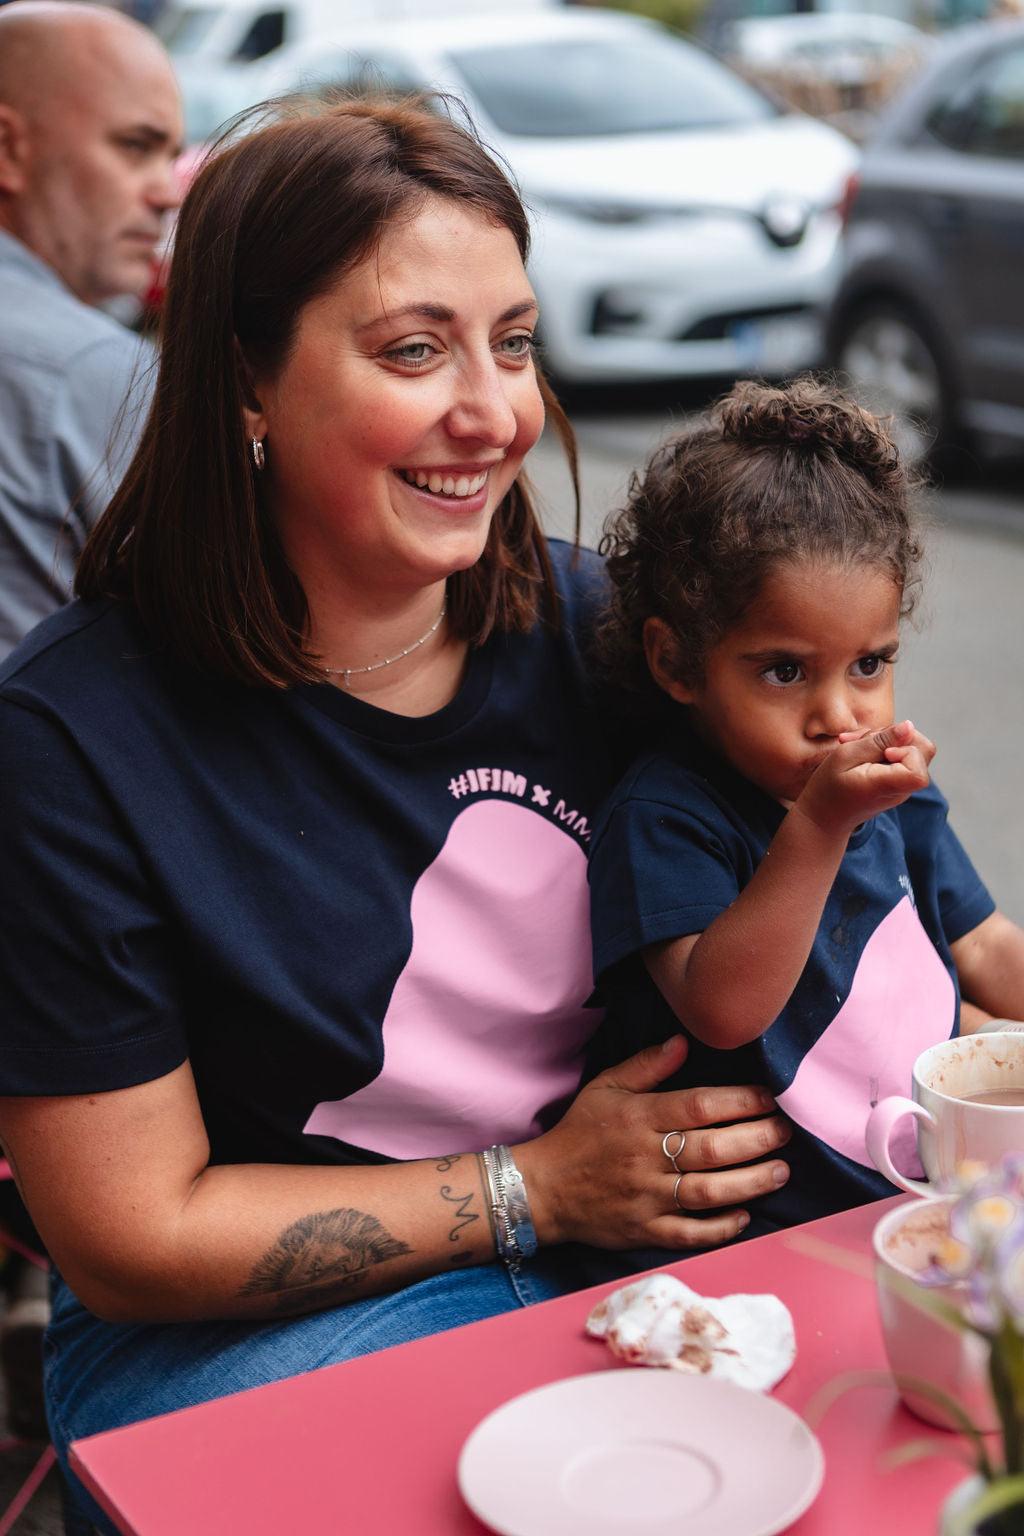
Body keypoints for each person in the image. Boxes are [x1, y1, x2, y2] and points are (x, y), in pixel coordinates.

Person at [0, 97, 791, 1533]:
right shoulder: (69, 738)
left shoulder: (601, 629)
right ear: (245, 378)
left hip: (616, 1260)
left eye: (516, 340)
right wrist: (536, 1191)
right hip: (232, 1343)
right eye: (413, 349)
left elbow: (845, 892)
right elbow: (127, 1238)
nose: (493, 413)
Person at [586, 376, 1024, 1250]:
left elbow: (981, 945)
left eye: (869, 663)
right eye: (785, 671)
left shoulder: (893, 781)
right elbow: (723, 1008)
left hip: (924, 1196)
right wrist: (819, 826)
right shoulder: (667, 816)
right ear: (677, 663)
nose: (841, 716)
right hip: (762, 1234)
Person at [0, 0, 182, 659]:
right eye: (135, 146)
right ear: (8, 150)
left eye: (172, 156)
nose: (166, 193)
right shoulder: (94, 369)